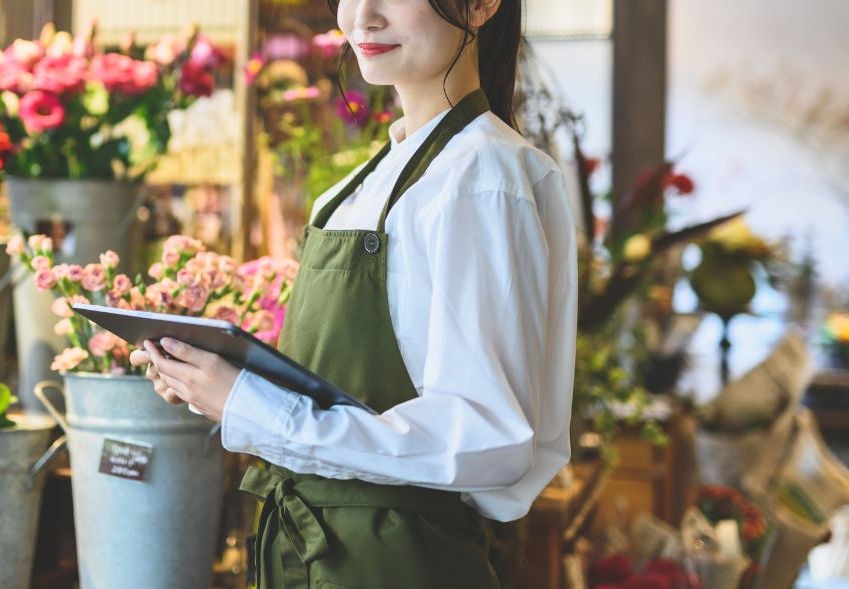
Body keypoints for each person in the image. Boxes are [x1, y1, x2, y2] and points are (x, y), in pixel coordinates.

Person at [130, 0, 577, 586]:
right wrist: (208, 379)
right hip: (308, 557)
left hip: (396, 562)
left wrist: (260, 411)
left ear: (481, 5)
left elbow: (488, 438)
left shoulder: (482, 178)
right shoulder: (353, 190)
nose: (361, 17)